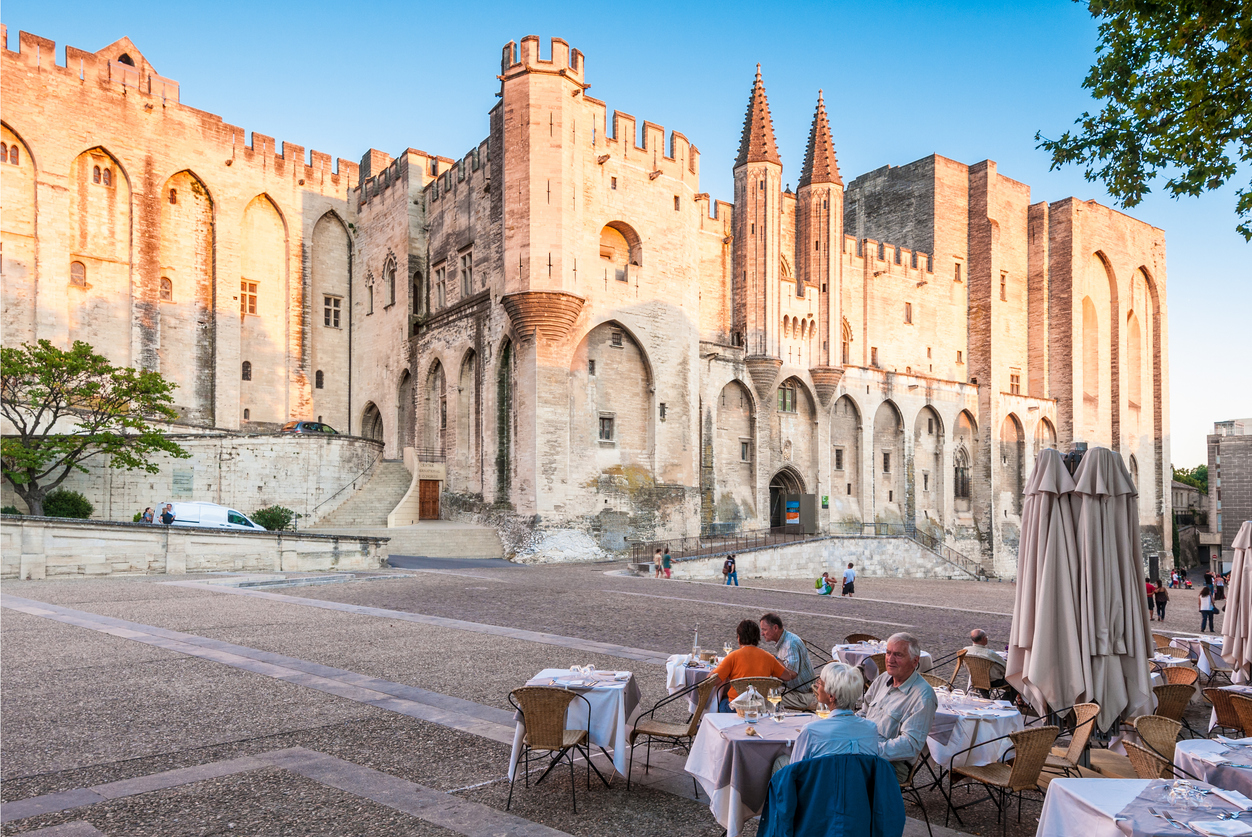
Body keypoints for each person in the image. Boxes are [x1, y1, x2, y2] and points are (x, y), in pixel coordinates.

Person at [858, 632, 937, 783]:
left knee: (841, 770)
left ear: (915, 661)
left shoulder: (923, 696)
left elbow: (910, 745)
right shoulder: (882, 679)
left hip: (892, 765)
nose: (890, 660)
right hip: (864, 750)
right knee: (823, 757)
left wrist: (869, 749)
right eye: (888, 653)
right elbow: (863, 713)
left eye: (898, 655)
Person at [782, 664, 880, 770]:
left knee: (781, 762)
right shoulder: (871, 729)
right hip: (858, 785)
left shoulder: (811, 731)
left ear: (831, 696)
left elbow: (794, 771)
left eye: (820, 683)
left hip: (821, 785)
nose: (817, 686)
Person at [711, 619, 794, 712]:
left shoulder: (733, 657)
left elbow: (711, 681)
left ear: (739, 637)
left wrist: (716, 668)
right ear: (758, 638)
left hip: (737, 708)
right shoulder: (768, 657)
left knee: (722, 701)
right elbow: (787, 676)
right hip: (758, 707)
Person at [760, 613, 816, 710]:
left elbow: (791, 674)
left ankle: (772, 721)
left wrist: (773, 660)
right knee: (761, 690)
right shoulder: (786, 639)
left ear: (775, 628)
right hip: (793, 690)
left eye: (764, 630)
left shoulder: (790, 644)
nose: (762, 633)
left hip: (802, 696)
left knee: (763, 697)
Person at [962, 629, 1016, 700]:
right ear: (984, 639)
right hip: (994, 682)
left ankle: (986, 698)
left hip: (976, 679)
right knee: (1016, 683)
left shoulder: (965, 651)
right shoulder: (989, 654)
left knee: (981, 676)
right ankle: (1005, 703)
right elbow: (1006, 667)